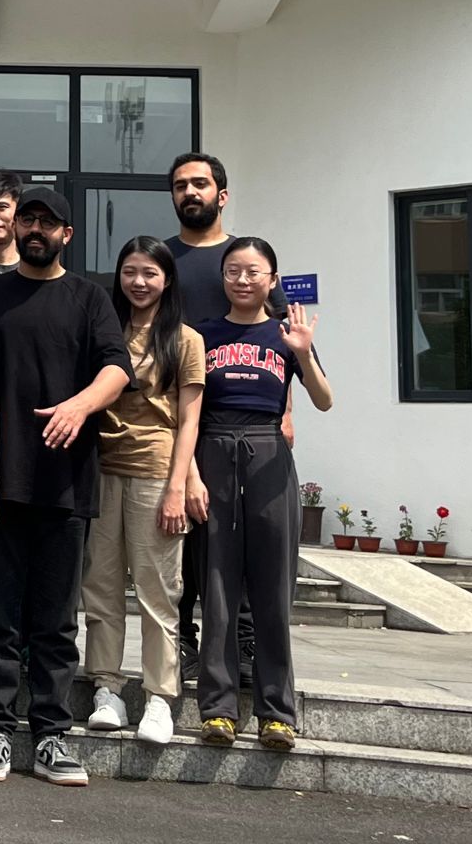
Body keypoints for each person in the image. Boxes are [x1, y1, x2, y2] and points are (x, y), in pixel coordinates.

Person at [0, 185, 131, 787]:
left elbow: (117, 367)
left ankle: (52, 737)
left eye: (47, 222)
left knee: (56, 623)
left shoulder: (90, 298)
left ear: (67, 234)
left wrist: (80, 406)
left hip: (66, 484)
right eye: (27, 219)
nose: (35, 229)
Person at [196, 237, 332, 753]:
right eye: (233, 270)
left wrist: (304, 354)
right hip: (213, 450)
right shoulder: (202, 335)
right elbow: (188, 409)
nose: (243, 280)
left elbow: (324, 401)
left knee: (274, 589)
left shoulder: (286, 335)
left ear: (272, 279)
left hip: (269, 452)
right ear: (223, 277)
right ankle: (218, 709)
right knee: (217, 585)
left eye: (254, 271)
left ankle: (277, 713)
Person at [164, 151, 289, 681]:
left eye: (199, 183)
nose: (190, 192)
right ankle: (183, 643)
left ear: (222, 194)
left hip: (241, 428)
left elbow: (281, 342)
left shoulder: (246, 258)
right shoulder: (164, 258)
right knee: (183, 540)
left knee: (240, 540)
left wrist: (286, 411)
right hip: (175, 416)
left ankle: (244, 642)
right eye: (180, 185)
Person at [81, 237, 204, 747]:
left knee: (158, 593)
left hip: (155, 471)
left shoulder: (185, 339)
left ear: (167, 279)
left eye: (150, 273)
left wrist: (179, 486)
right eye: (130, 271)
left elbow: (190, 420)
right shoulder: (104, 329)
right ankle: (105, 689)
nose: (138, 282)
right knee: (101, 587)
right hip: (100, 469)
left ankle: (159, 697)